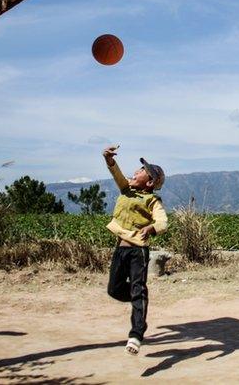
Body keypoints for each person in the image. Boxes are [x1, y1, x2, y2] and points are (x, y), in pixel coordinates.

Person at [101, 145, 167, 356]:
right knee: (114, 289)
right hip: (120, 250)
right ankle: (140, 300)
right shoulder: (125, 189)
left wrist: (152, 227)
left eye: (141, 171)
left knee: (138, 289)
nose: (135, 172)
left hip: (138, 252)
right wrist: (109, 159)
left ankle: (136, 333)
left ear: (149, 183)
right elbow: (116, 173)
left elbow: (163, 221)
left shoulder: (152, 200)